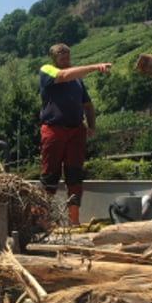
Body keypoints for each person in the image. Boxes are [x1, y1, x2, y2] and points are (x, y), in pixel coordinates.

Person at [38, 43, 111, 225]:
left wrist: (91, 125)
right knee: (50, 174)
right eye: (63, 59)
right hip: (54, 129)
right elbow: (63, 76)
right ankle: (43, 219)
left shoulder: (78, 81)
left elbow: (87, 104)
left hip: (76, 130)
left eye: (68, 58)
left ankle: (74, 220)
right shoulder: (46, 70)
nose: (66, 62)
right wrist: (94, 67)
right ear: (54, 60)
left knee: (75, 174)